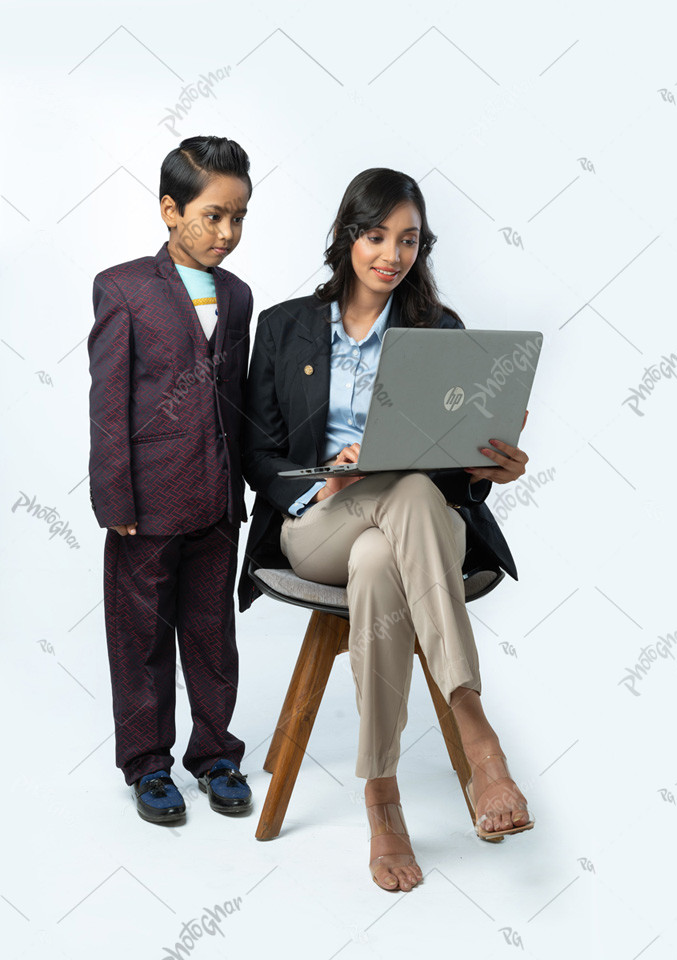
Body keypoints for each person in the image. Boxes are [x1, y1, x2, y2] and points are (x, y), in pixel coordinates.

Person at [238, 167, 534, 891]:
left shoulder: (440, 331)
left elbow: (457, 466)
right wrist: (325, 477)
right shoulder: (283, 327)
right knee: (385, 506)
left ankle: (382, 798)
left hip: (417, 526)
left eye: (408, 240)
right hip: (318, 522)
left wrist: (489, 470)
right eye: (377, 236)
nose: (391, 255)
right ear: (347, 237)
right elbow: (257, 454)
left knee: (383, 551)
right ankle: (477, 733)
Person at [88, 135, 254, 824]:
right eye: (213, 215)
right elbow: (108, 401)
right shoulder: (124, 288)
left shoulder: (239, 296)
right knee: (142, 638)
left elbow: (237, 399)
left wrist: (242, 490)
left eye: (239, 217)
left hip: (217, 501)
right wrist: (114, 496)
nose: (227, 232)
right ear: (169, 208)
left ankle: (216, 754)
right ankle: (147, 762)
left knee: (213, 638)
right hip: (147, 504)